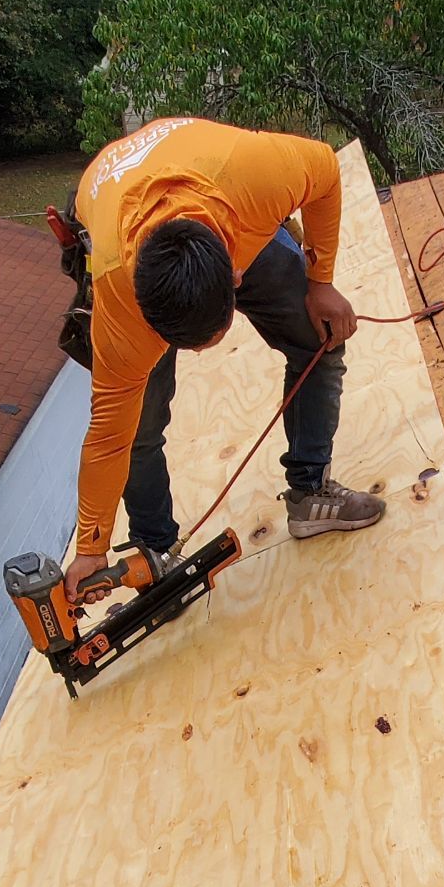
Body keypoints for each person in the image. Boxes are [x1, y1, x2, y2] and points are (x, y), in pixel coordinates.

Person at [58, 116, 387, 604]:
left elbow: (326, 169)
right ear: (149, 318)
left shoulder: (257, 178)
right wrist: (91, 547)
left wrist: (321, 282)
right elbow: (109, 437)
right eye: (182, 343)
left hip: (217, 189)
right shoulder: (121, 309)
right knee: (138, 429)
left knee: (319, 337)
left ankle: (310, 492)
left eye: (207, 340)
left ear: (237, 276)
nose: (196, 355)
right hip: (112, 209)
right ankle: (155, 556)